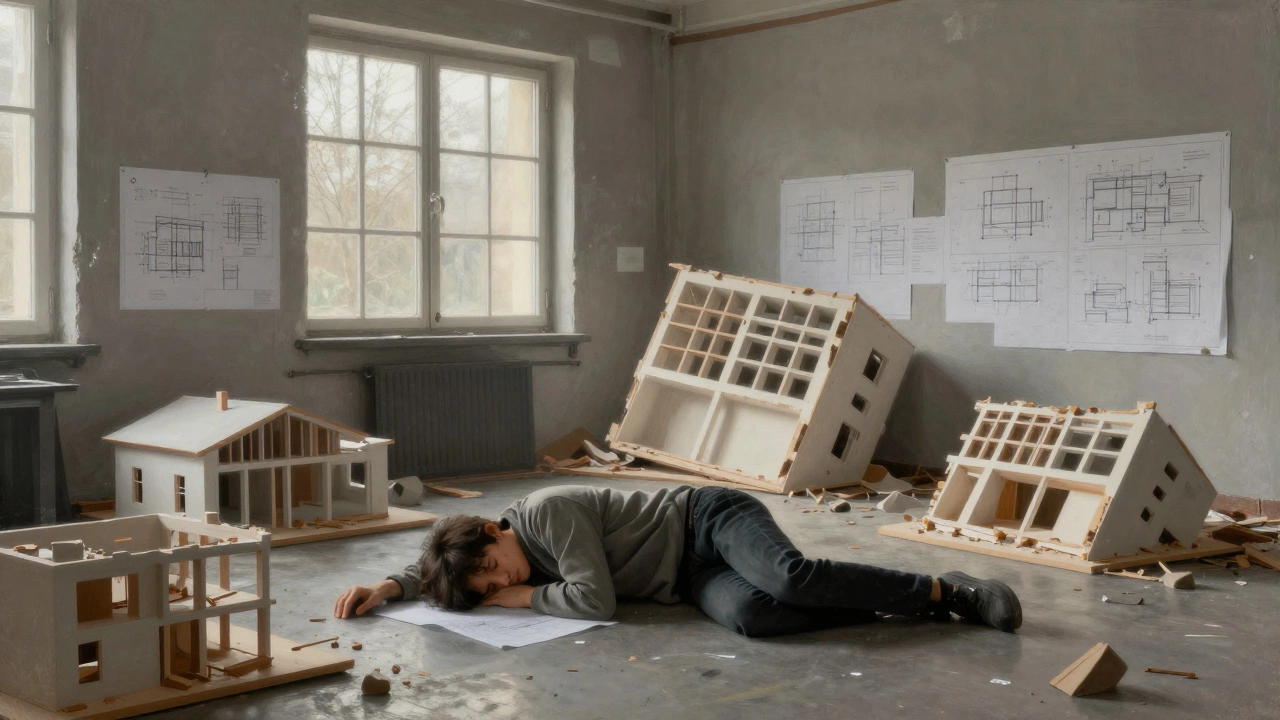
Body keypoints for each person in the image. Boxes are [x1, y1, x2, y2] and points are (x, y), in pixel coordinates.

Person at [333, 484, 1022, 637]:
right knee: (757, 618)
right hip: (688, 579)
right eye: (487, 586)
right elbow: (442, 571)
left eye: (490, 568)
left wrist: (511, 601)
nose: (498, 582)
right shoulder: (482, 557)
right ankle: (879, 598)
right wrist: (390, 584)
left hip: (708, 521)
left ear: (494, 528)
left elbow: (594, 601)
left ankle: (945, 592)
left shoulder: (543, 515)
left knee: (787, 576)